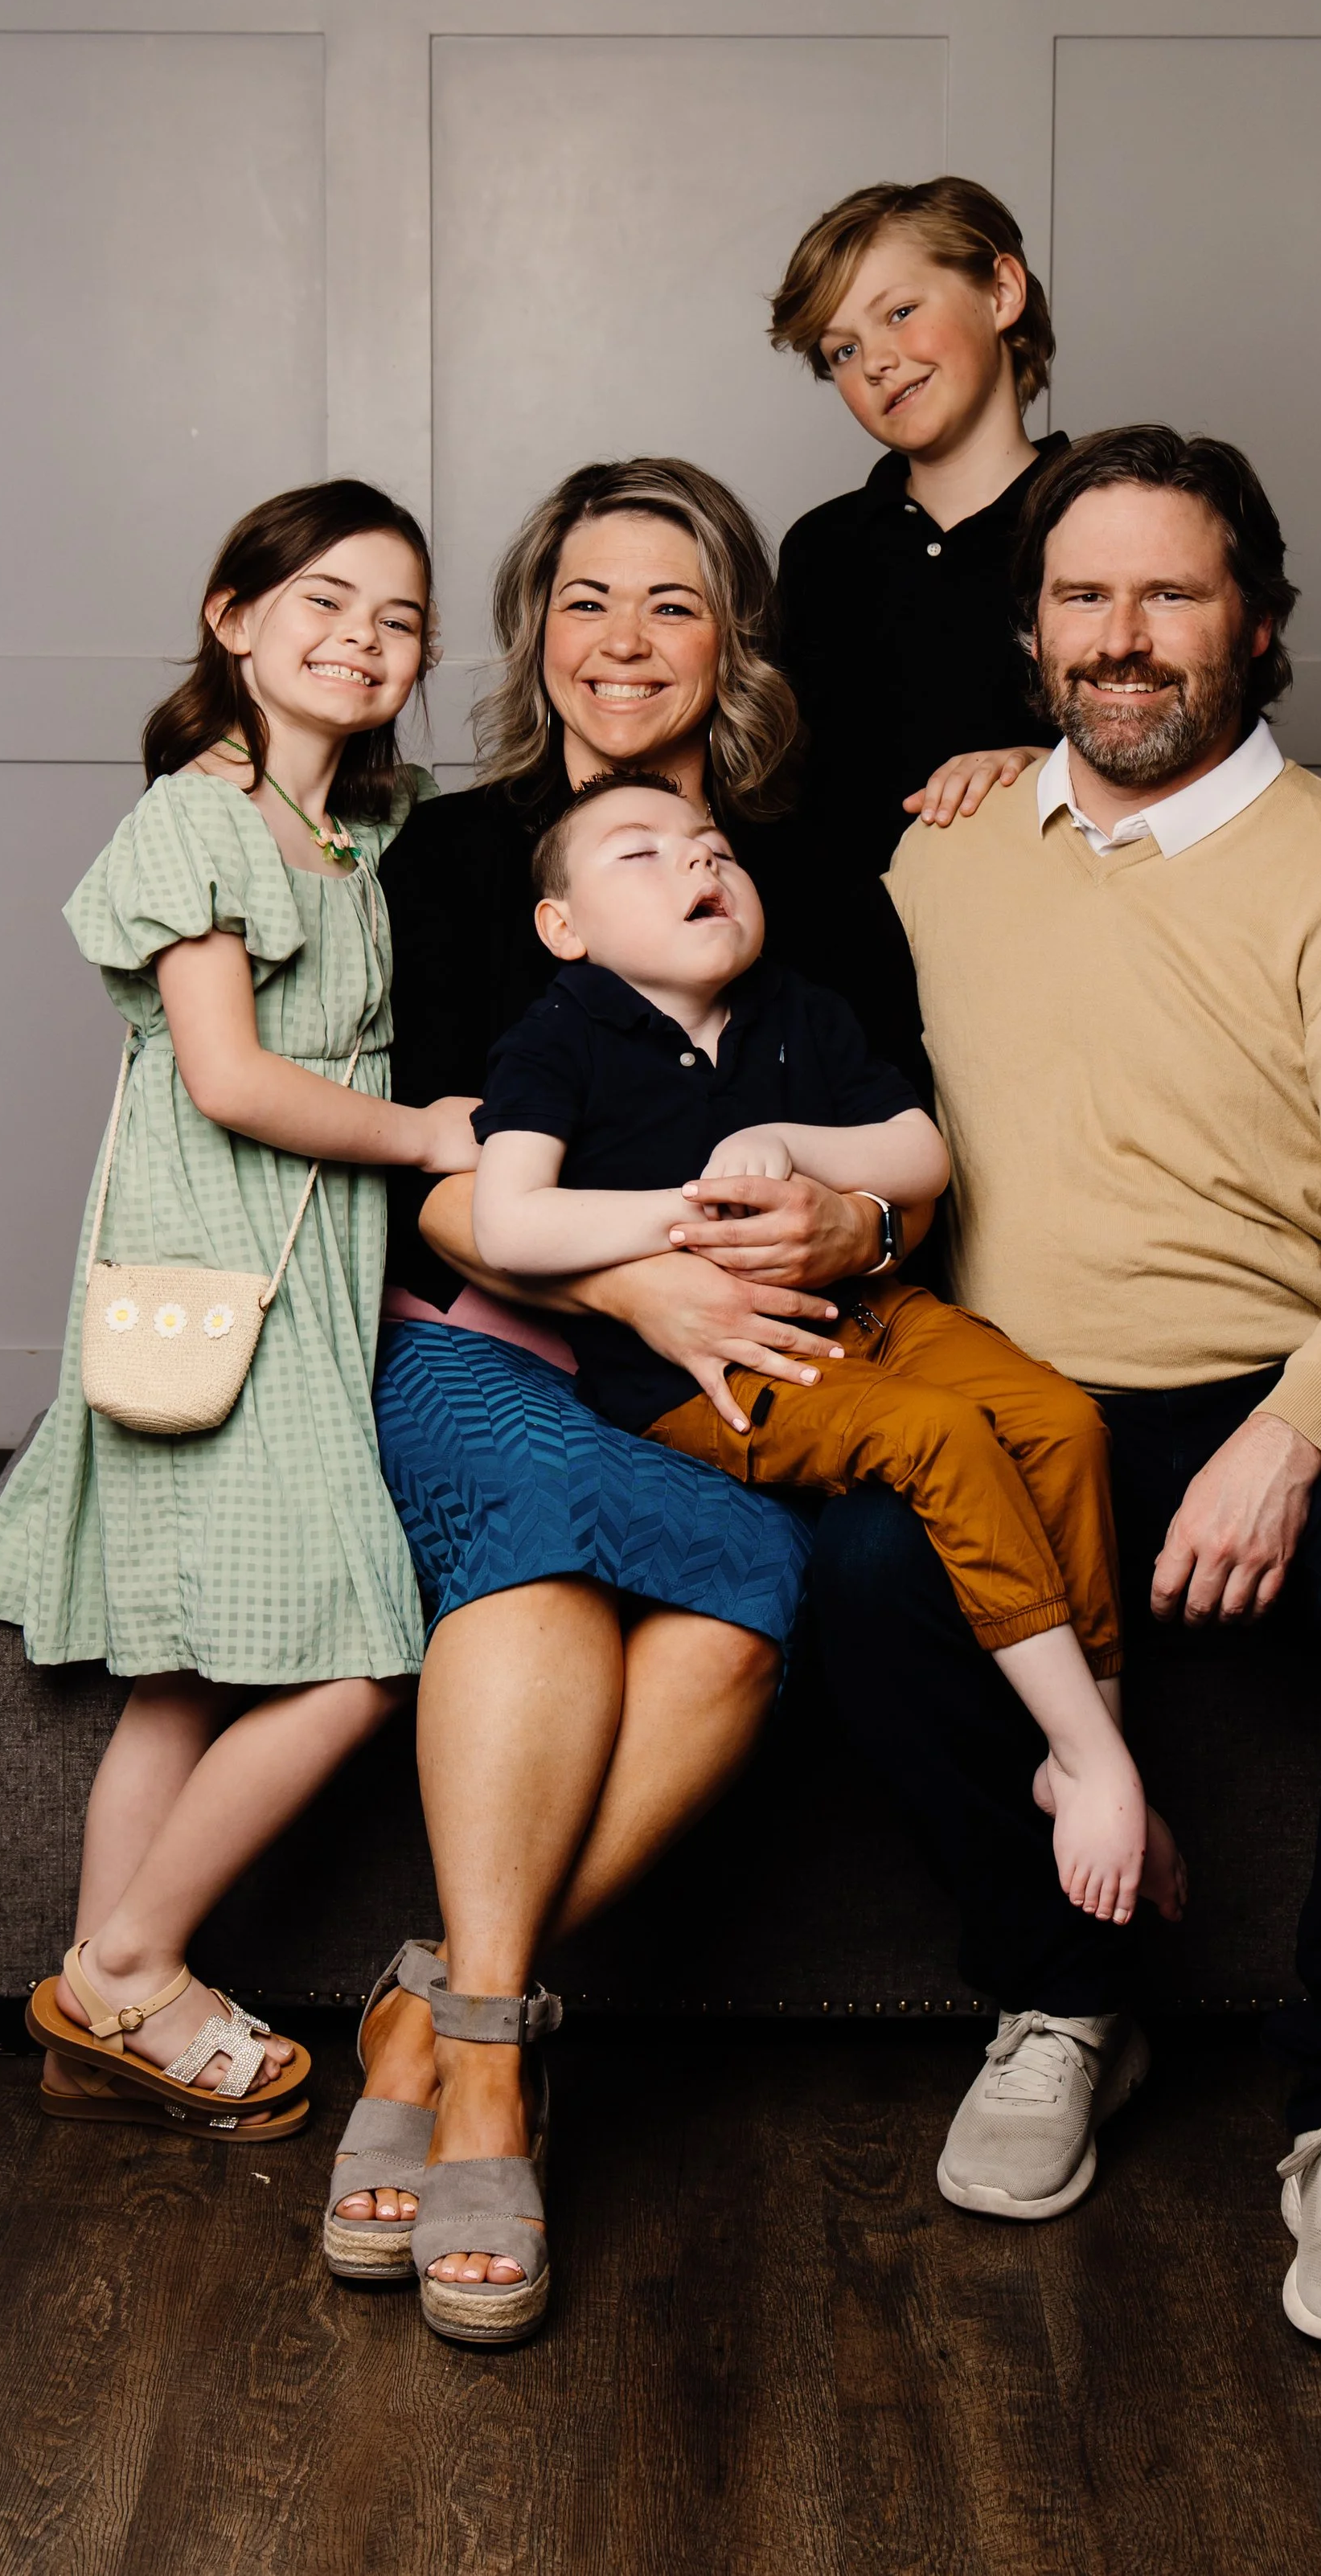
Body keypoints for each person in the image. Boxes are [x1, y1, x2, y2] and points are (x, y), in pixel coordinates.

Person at [868, 424, 1321, 2345]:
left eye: (1172, 591)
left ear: (1257, 623)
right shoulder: (948, 846)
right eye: (1085, 595)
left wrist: (1292, 1433)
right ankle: (1064, 1996)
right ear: (1034, 630)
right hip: (1026, 1404)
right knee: (849, 1581)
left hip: (1293, 1381)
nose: (1125, 636)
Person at [336, 459, 900, 2345]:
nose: (624, 641)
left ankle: (426, 2004)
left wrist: (852, 1213)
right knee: (535, 1554)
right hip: (492, 1338)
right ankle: (492, 2075)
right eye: (587, 599)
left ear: (730, 633)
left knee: (748, 1598)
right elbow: (425, 1169)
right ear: (536, 630)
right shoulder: (450, 858)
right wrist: (623, 1271)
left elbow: (904, 1138)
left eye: (671, 602)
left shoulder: (803, 869)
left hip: (712, 1382)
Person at [468, 769, 1186, 1935]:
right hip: (723, 1371)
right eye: (642, 855)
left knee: (1063, 1418)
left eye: (713, 847)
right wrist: (695, 1211)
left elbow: (920, 1153)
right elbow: (508, 1222)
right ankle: (1092, 1761)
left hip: (872, 1305)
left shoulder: (799, 1008)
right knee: (939, 1438)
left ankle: (1090, 1744)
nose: (701, 863)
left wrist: (786, 1143)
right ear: (566, 928)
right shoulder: (558, 1041)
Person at [0, 481, 478, 2140]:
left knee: (183, 1678)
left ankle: (87, 2019)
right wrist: (422, 1134)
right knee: (357, 1661)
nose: (361, 638)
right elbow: (228, 1076)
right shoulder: (196, 820)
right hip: (219, 1287)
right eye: (324, 600)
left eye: (398, 618)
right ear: (232, 615)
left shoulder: (362, 830)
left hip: (310, 1284)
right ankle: (128, 1973)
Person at [768, 174, 1065, 874]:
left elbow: (1196, 757)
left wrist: (1057, 770)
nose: (875, 362)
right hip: (846, 957)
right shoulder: (819, 549)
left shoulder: (1106, 521)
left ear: (1001, 293)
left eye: (900, 312)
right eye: (842, 351)